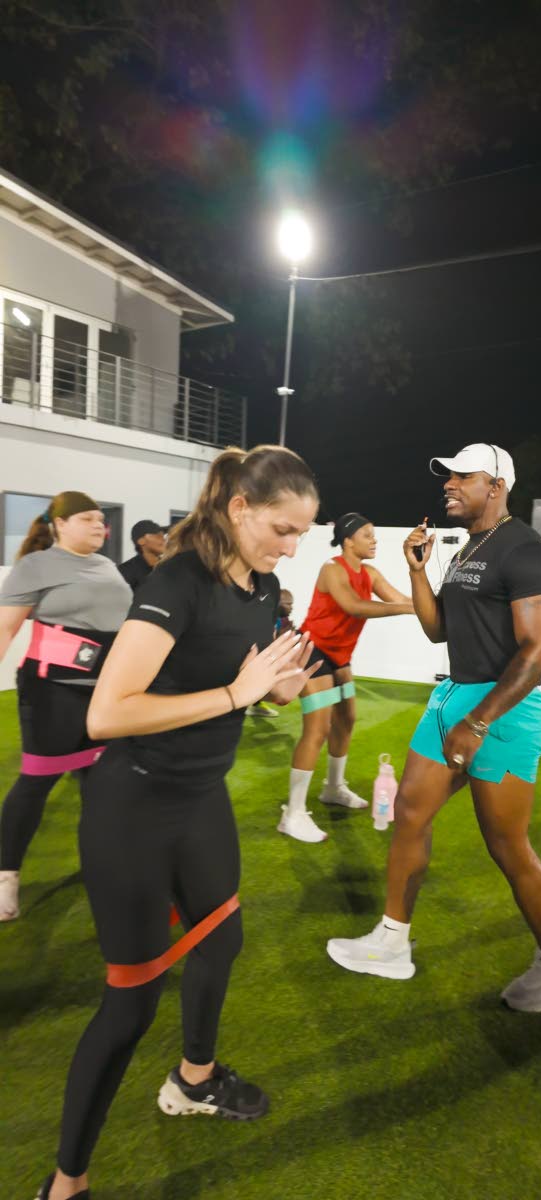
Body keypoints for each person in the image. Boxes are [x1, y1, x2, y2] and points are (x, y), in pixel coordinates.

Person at [34, 445, 320, 1200]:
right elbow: (107, 713)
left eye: (301, 534)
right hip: (133, 804)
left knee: (220, 938)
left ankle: (192, 1080)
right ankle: (66, 1184)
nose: (290, 547)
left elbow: (250, 683)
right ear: (240, 510)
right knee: (130, 1004)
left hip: (200, 797)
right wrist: (237, 693)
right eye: (282, 529)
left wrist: (278, 688)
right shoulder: (178, 581)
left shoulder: (262, 586)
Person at [327, 444, 541, 1013]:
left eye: (459, 476)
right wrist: (418, 571)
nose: (447, 484)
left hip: (503, 709)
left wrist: (478, 720)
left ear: (495, 485)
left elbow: (540, 650)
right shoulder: (471, 547)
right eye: (445, 476)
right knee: (410, 814)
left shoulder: (528, 551)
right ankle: (393, 941)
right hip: (451, 695)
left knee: (508, 848)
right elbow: (437, 629)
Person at [0, 492, 131, 922]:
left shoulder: (109, 566)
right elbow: (6, 628)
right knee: (37, 784)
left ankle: (101, 864)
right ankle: (6, 875)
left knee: (102, 784)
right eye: (89, 519)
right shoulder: (35, 566)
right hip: (51, 691)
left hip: (105, 694)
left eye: (102, 519)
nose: (101, 526)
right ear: (59, 523)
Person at [279, 513, 414, 843]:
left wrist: (435, 605)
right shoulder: (332, 569)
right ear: (348, 540)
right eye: (367, 535)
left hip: (339, 658)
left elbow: (401, 598)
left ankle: (333, 788)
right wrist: (411, 610)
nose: (374, 540)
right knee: (319, 728)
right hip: (314, 653)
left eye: (374, 534)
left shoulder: (369, 572)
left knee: (347, 718)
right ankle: (293, 814)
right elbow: (354, 606)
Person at [246, 589, 295, 717]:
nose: (291, 608)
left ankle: (256, 705)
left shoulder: (282, 621)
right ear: (278, 603)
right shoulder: (266, 617)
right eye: (288, 604)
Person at [117, 519, 166, 592]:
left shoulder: (168, 567)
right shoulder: (125, 571)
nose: (163, 540)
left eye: (163, 536)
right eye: (158, 536)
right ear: (141, 541)